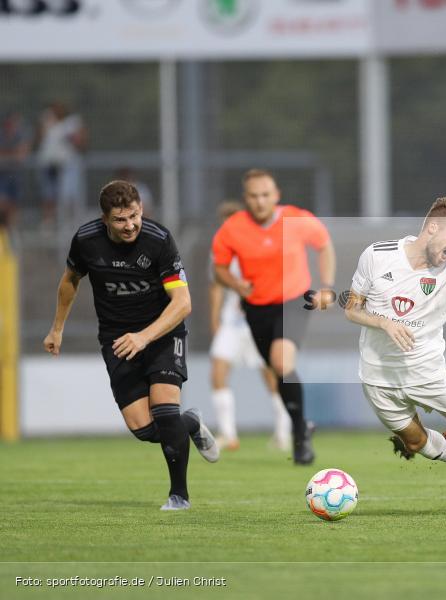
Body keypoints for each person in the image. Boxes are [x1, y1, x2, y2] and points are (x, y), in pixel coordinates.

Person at [43, 180, 219, 511]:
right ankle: (191, 423)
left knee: (166, 412)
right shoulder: (86, 240)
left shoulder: (158, 240)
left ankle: (178, 496)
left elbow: (182, 303)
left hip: (163, 333)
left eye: (135, 216)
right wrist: (57, 329)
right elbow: (70, 281)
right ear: (104, 219)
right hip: (117, 340)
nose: (130, 225)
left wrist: (144, 336)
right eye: (121, 220)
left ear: (141, 210)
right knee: (145, 429)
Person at [343, 197, 446, 495]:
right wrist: (385, 323)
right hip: (379, 377)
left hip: (426, 372)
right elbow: (352, 309)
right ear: (433, 228)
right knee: (415, 442)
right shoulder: (377, 255)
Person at [211, 169, 335, 465]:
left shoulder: (296, 218)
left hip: (294, 300)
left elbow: (324, 245)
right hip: (256, 307)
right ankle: (301, 424)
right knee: (277, 370)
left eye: (265, 195)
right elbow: (220, 268)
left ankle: (299, 436)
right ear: (246, 199)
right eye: (253, 196)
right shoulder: (232, 229)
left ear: (276, 195)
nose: (260, 201)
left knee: (281, 362)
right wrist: (236, 284)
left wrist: (327, 287)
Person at [209, 201, 291, 452]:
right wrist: (215, 319)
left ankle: (283, 432)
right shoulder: (219, 250)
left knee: (270, 377)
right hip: (232, 324)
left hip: (258, 321)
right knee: (218, 373)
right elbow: (215, 287)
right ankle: (228, 434)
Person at [36, 102, 87, 230]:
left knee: (68, 196)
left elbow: (81, 143)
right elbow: (39, 139)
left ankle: (71, 222)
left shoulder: (73, 123)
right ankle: (49, 223)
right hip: (49, 164)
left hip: (66, 166)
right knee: (48, 195)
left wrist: (72, 138)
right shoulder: (47, 120)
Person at [0, 110, 33, 226]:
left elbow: (22, 155)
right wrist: (13, 153)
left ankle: (12, 230)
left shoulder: (21, 135)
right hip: (2, 176)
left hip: (16, 176)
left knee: (14, 205)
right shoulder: (2, 135)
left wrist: (8, 154)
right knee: (3, 203)